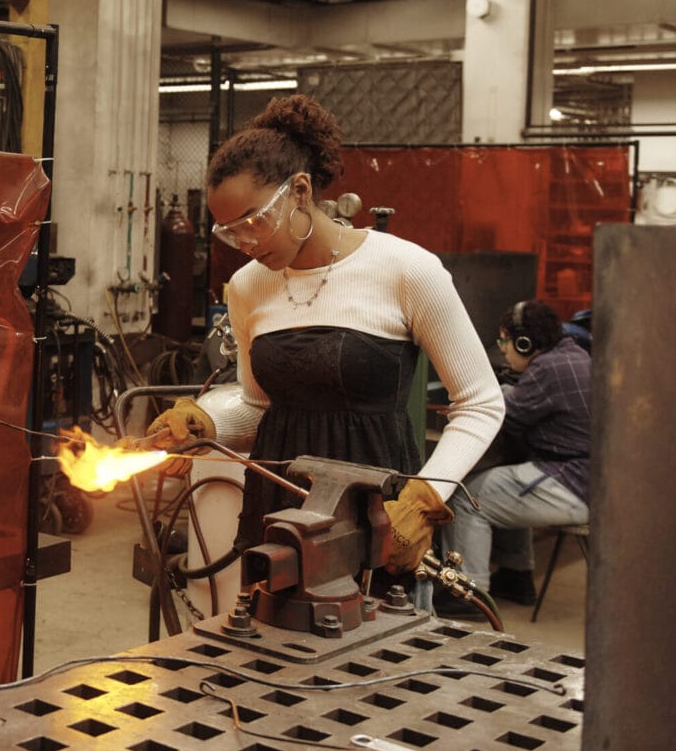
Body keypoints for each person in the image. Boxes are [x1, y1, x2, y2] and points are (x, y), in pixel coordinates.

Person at [147, 94, 504, 587]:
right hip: (279, 510)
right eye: (230, 233)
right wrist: (209, 422)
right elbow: (261, 407)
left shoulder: (406, 269)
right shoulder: (249, 286)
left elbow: (481, 403)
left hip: (377, 513)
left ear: (299, 190)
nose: (246, 244)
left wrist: (426, 496)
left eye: (253, 222)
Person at [438, 299, 591, 614]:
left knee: (467, 497)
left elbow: (506, 416)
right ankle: (516, 575)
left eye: (504, 342)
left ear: (525, 343)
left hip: (573, 482)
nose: (504, 350)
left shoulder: (548, 369)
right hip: (589, 480)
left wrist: (479, 400)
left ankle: (468, 594)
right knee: (506, 480)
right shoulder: (575, 355)